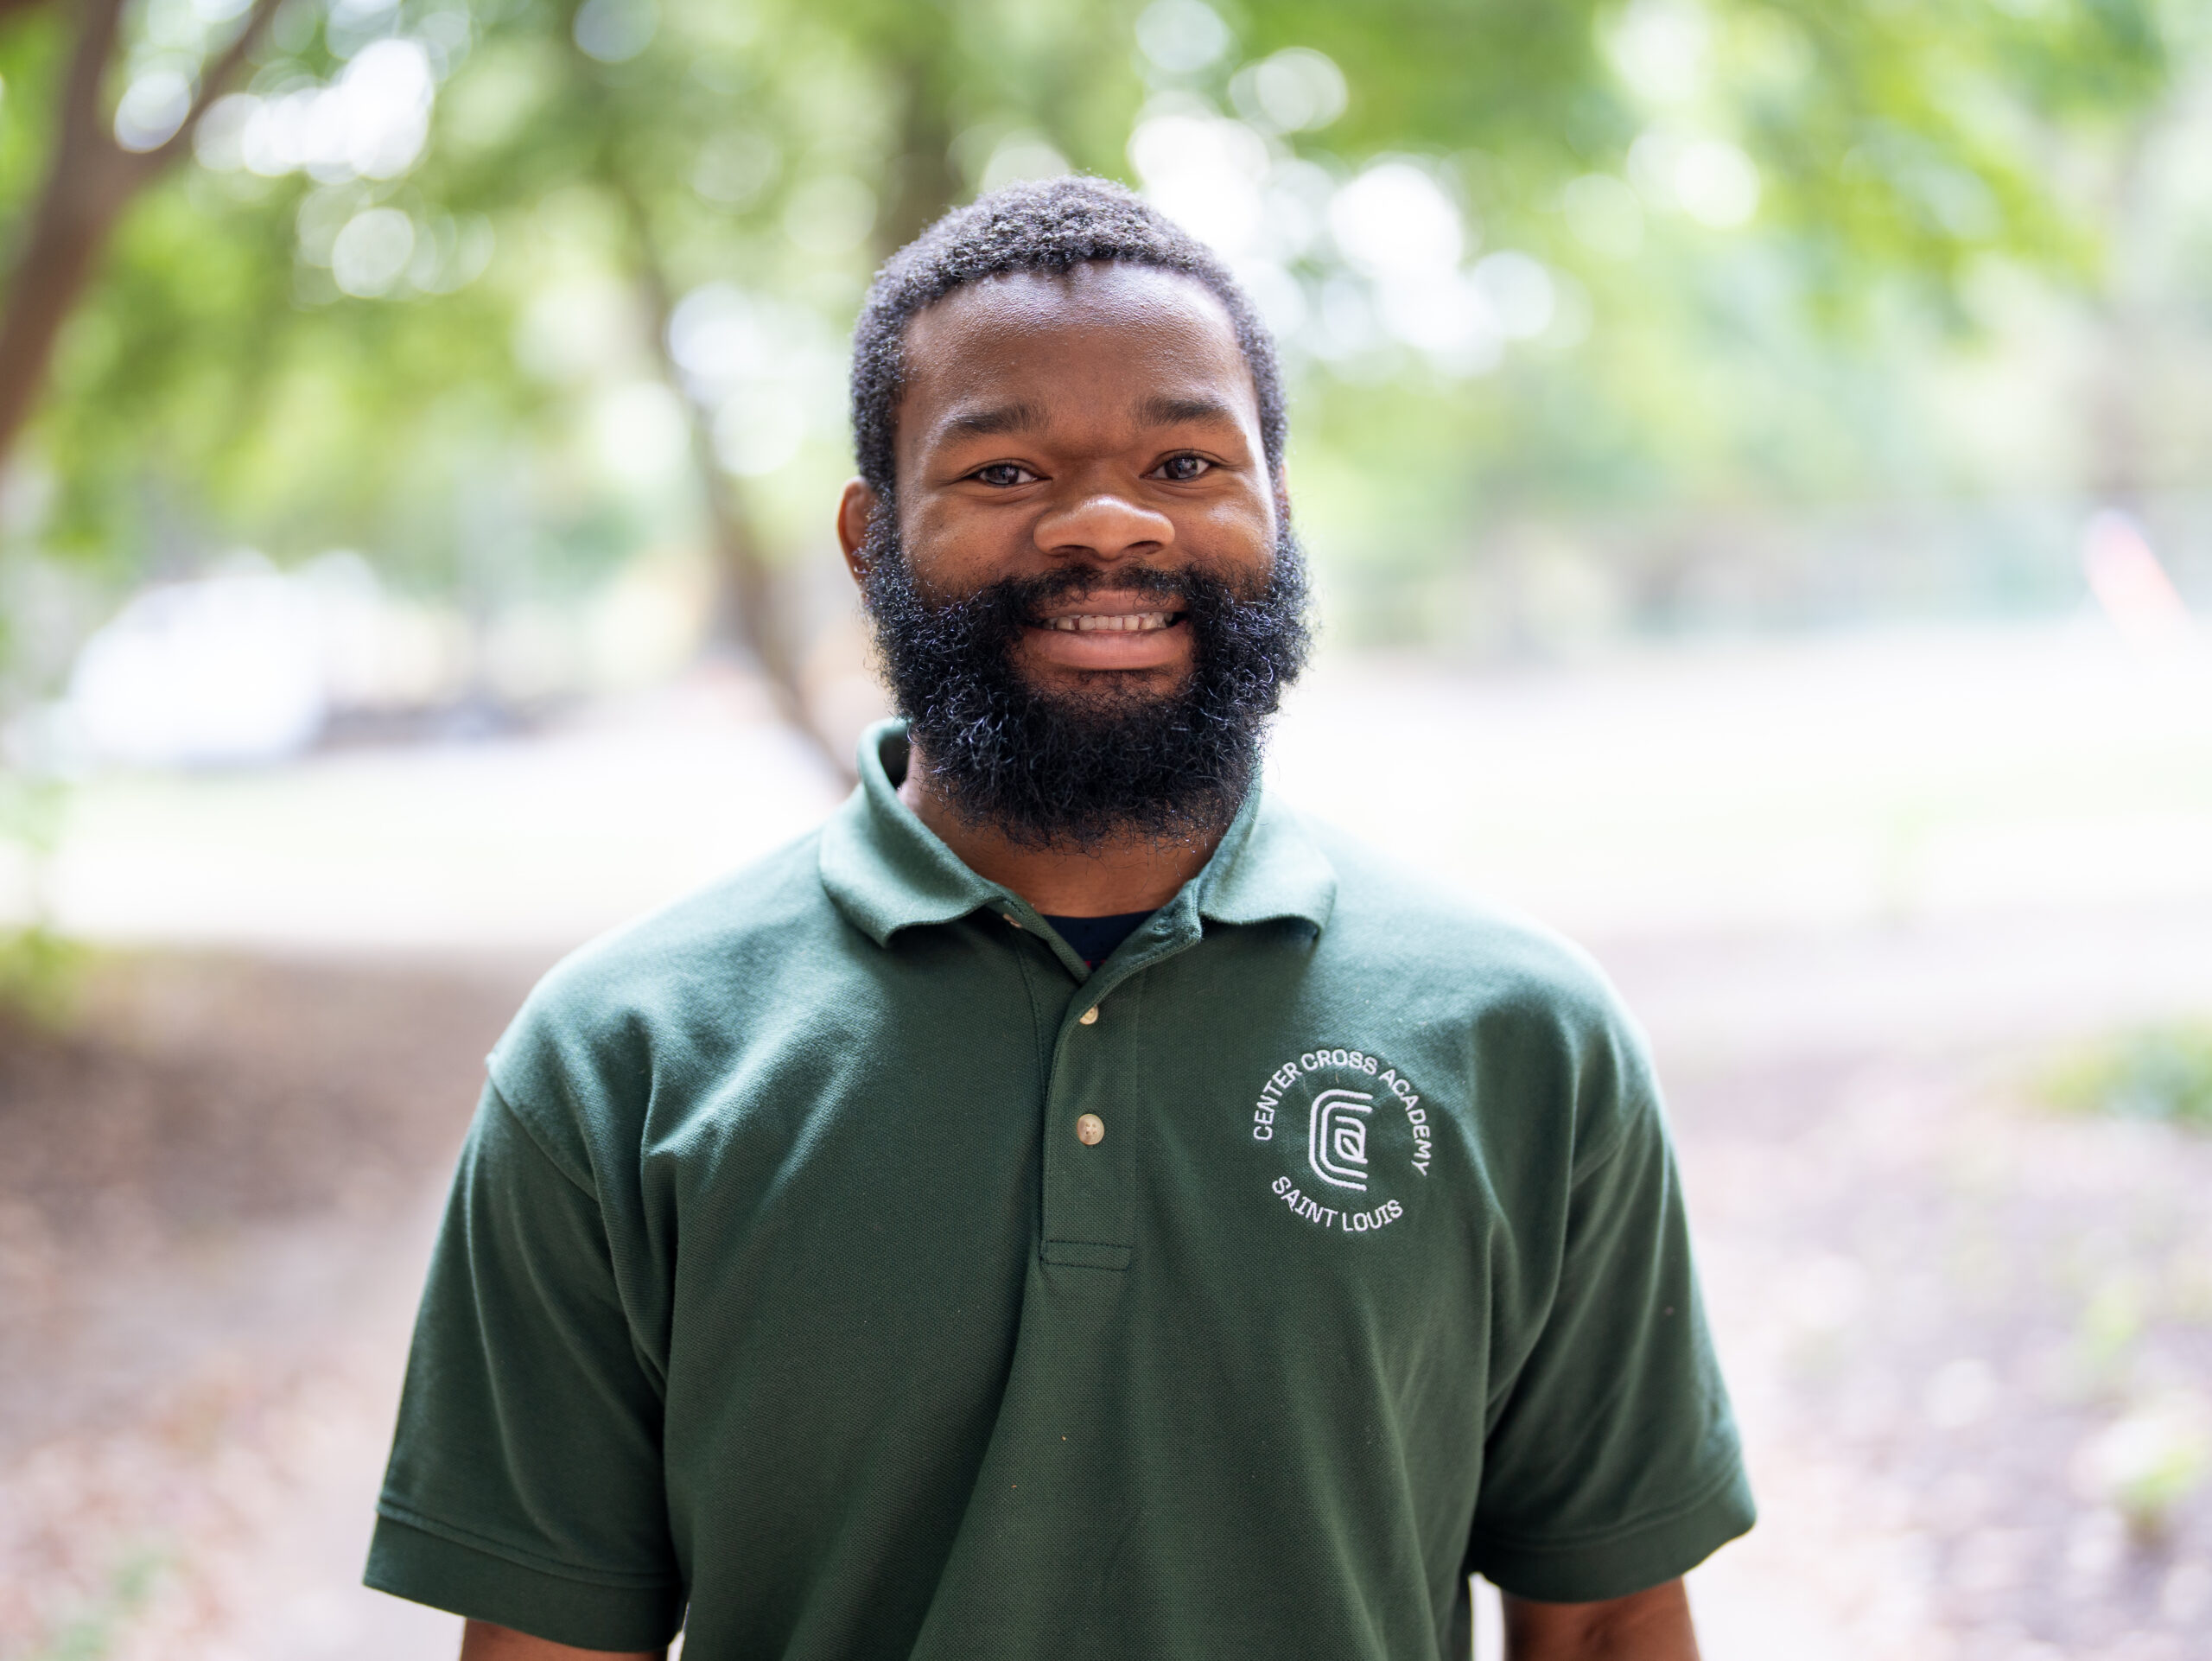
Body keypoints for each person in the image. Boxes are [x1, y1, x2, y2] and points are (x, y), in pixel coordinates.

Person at [365, 177, 1753, 1661]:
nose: (1107, 523)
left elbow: (1605, 1616)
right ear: (868, 536)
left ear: (1276, 516)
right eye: (1006, 471)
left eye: (1183, 458)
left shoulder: (1523, 1034)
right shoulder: (619, 1061)